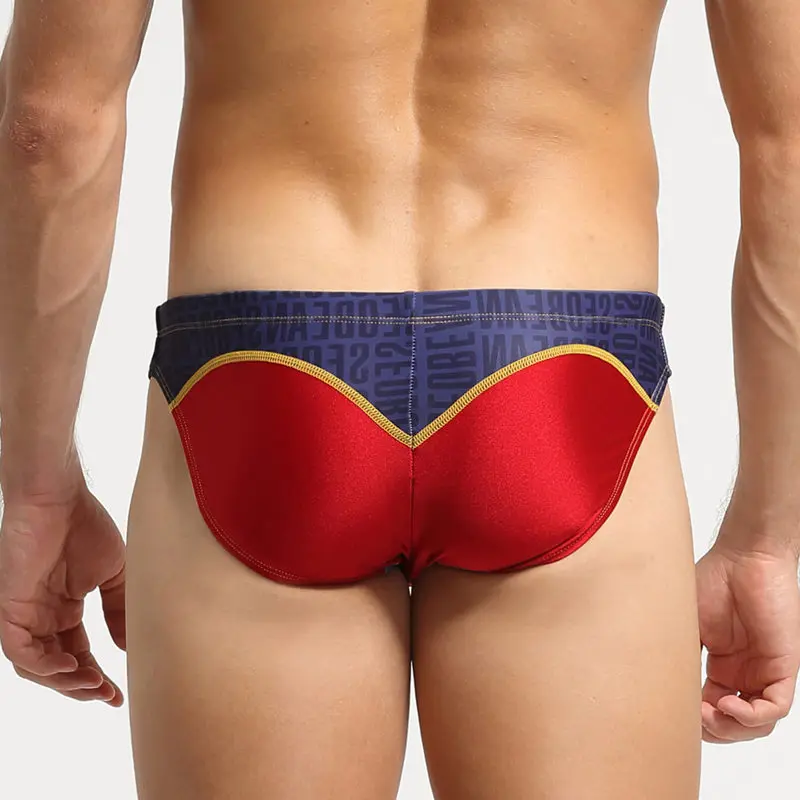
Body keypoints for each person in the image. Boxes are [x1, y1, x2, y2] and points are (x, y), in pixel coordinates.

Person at [0, 0, 799, 797]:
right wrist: (766, 539)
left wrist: (37, 491)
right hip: (560, 369)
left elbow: (51, 126)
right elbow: (788, 149)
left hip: (265, 373)